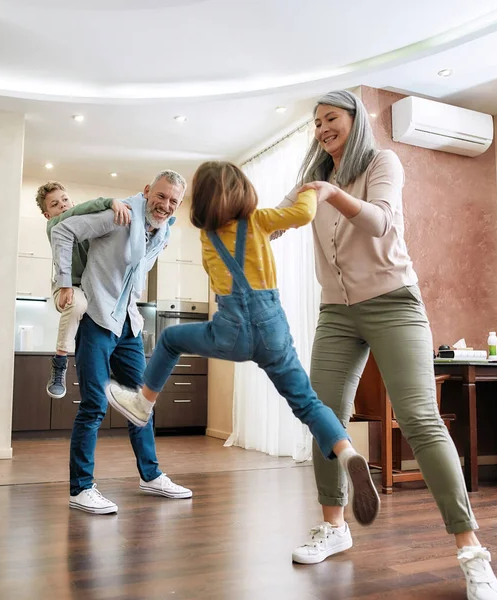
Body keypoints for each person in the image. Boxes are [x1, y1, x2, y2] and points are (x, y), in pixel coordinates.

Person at [275, 90, 497, 599]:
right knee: (323, 414)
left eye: (330, 118)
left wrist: (329, 194)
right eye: (315, 123)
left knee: (419, 416)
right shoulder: (316, 181)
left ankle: (471, 552)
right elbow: (275, 221)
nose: (321, 129)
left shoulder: (382, 162)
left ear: (354, 120)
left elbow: (378, 221)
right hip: (336, 312)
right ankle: (335, 525)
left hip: (393, 302)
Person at [107, 161, 381, 527]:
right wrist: (314, 192)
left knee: (171, 339)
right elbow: (301, 215)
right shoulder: (260, 220)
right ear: (244, 192)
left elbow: (221, 278)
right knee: (308, 402)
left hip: (231, 331)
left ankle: (143, 403)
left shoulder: (207, 237)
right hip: (274, 330)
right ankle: (346, 452)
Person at [51, 170, 193, 514]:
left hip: (128, 325)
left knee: (141, 404)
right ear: (147, 192)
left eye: (173, 201)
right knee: (94, 406)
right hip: (98, 319)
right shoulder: (119, 216)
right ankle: (80, 487)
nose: (165, 205)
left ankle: (151, 475)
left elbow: (135, 272)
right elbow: (62, 229)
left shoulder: (162, 232)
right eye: (161, 196)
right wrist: (65, 281)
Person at [35, 182, 132, 399]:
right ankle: (59, 364)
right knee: (77, 304)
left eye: (65, 200)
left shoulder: (88, 224)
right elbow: (85, 208)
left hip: (93, 285)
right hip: (68, 286)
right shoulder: (54, 226)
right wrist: (110, 202)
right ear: (47, 214)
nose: (62, 206)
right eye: (55, 204)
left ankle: (113, 364)